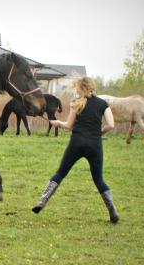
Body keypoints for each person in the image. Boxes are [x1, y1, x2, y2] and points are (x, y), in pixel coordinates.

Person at [32, 77, 119, 223]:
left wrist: (57, 123)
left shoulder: (76, 103)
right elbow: (111, 125)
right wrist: (99, 133)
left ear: (80, 88)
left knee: (60, 173)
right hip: (94, 144)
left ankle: (42, 201)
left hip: (76, 143)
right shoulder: (103, 104)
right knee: (99, 179)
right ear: (92, 87)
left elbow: (69, 125)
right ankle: (112, 211)